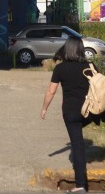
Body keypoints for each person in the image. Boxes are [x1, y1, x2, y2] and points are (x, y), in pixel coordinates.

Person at [39, 37, 95, 193]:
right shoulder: (90, 66)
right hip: (89, 112)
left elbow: (51, 91)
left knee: (77, 147)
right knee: (80, 139)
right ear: (81, 49)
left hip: (71, 114)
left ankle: (80, 186)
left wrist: (44, 109)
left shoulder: (61, 69)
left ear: (67, 49)